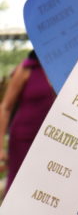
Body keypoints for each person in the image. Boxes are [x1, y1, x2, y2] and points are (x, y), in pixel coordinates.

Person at [0, 49, 55, 192]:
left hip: (50, 141)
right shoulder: (27, 68)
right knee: (17, 189)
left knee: (43, 190)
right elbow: (5, 107)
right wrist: (0, 146)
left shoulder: (63, 70)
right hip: (23, 139)